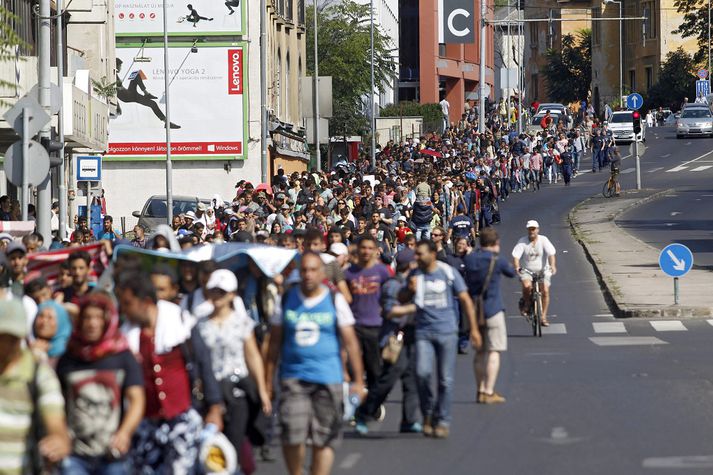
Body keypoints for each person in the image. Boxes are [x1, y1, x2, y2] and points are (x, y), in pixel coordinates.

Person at [265, 252, 365, 475]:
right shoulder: (287, 299)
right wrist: (267, 382)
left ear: (322, 273)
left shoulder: (334, 299)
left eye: (313, 270)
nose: (308, 275)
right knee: (292, 433)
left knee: (324, 438)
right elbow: (272, 344)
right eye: (304, 271)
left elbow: (351, 342)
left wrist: (358, 380)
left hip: (328, 378)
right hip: (293, 379)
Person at [116, 272, 224, 474]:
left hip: (182, 417)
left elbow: (203, 362)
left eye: (128, 303)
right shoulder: (126, 335)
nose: (124, 310)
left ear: (145, 302)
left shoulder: (180, 321)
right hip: (146, 423)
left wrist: (215, 408)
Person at [389, 240, 481, 439]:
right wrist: (409, 290)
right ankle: (428, 413)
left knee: (445, 380)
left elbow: (464, 299)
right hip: (423, 332)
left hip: (447, 332)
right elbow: (402, 297)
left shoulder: (447, 272)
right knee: (422, 373)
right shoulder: (415, 275)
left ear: (432, 253)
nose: (417, 258)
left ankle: (443, 420)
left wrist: (473, 329)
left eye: (421, 254)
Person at [57, 293, 145, 475]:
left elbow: (136, 399)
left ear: (108, 320)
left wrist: (125, 433)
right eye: (87, 317)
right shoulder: (69, 358)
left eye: (98, 317)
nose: (92, 323)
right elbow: (57, 402)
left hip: (112, 455)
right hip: (76, 455)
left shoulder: (123, 356)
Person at [195, 270, 271, 463]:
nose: (217, 295)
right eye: (214, 290)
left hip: (237, 391)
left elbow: (252, 356)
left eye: (222, 291)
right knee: (210, 449)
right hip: (211, 393)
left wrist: (262, 391)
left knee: (233, 444)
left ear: (232, 294)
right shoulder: (200, 324)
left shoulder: (242, 322)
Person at [0, 299, 71, 475]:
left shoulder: (39, 373)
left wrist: (58, 439)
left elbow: (54, 418)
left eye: (12, 339)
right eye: (2, 337)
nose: (6, 345)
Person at [354, 249, 421, 435]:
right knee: (387, 380)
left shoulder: (411, 283)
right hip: (394, 338)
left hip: (408, 337)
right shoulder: (394, 286)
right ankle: (364, 412)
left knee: (411, 379)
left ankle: (409, 419)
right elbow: (390, 311)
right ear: (410, 265)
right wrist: (414, 308)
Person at [464, 228, 516, 404]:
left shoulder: (470, 259)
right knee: (494, 351)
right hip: (493, 309)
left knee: (479, 352)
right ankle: (488, 390)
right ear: (496, 243)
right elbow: (511, 273)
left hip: (474, 312)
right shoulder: (498, 260)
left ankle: (479, 390)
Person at [344, 235, 392, 393]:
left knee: (374, 368)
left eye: (370, 248)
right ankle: (355, 401)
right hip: (354, 326)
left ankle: (373, 402)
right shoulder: (349, 273)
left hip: (375, 325)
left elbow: (391, 293)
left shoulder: (382, 271)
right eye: (363, 248)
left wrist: (385, 309)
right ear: (358, 250)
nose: (366, 251)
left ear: (375, 250)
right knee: (353, 366)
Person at [512, 220, 557, 326]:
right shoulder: (522, 241)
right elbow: (516, 256)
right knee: (527, 286)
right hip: (527, 270)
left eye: (533, 229)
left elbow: (551, 254)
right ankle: (527, 303)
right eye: (530, 229)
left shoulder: (544, 240)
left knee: (545, 290)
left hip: (543, 270)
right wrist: (517, 267)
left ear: (537, 230)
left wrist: (552, 266)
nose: (532, 231)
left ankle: (543, 316)